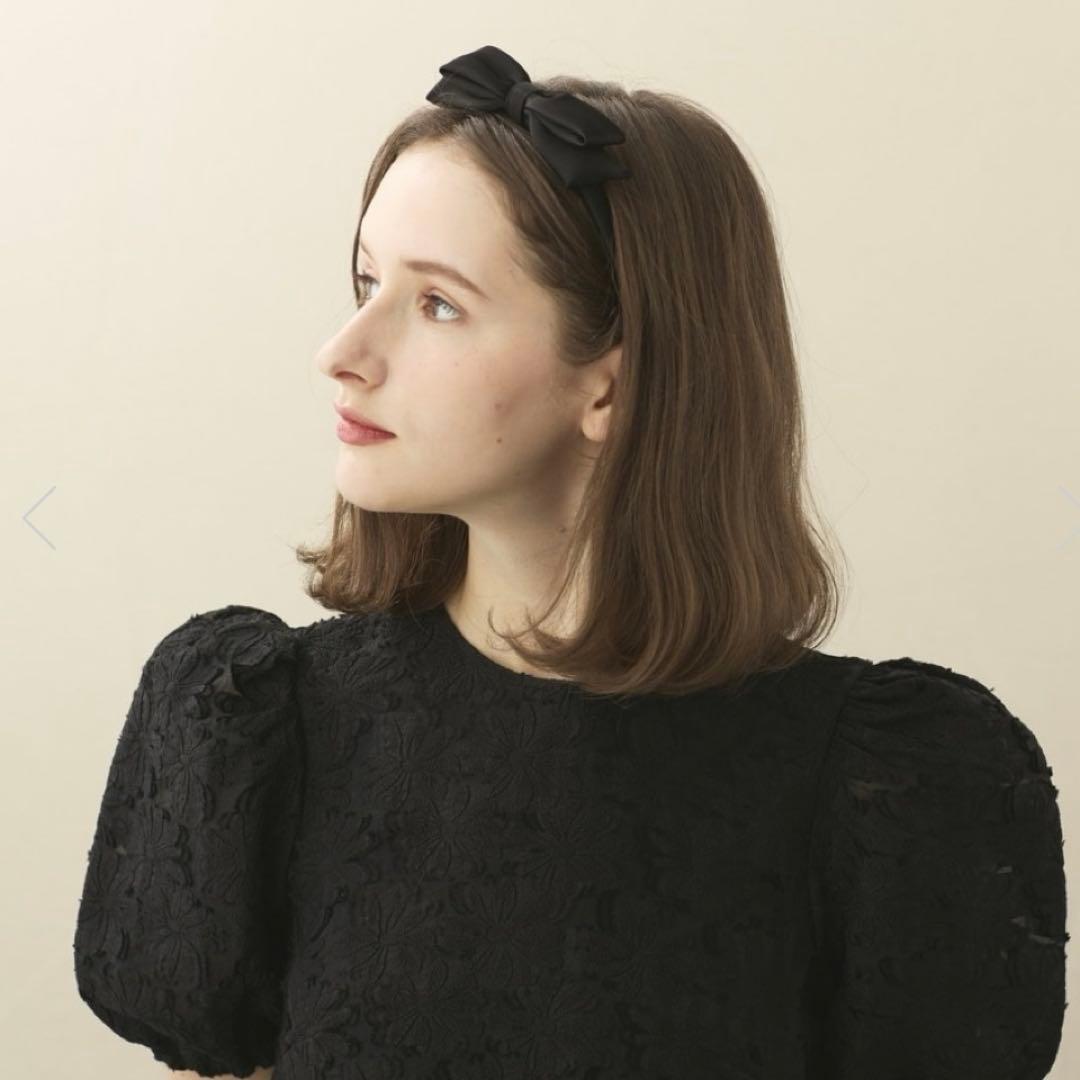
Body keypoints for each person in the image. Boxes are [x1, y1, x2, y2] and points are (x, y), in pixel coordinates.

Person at [73, 45, 1067, 1079]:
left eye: (437, 304)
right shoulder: (255, 735)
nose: (343, 351)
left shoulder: (892, 790)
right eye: (367, 281)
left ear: (610, 389)